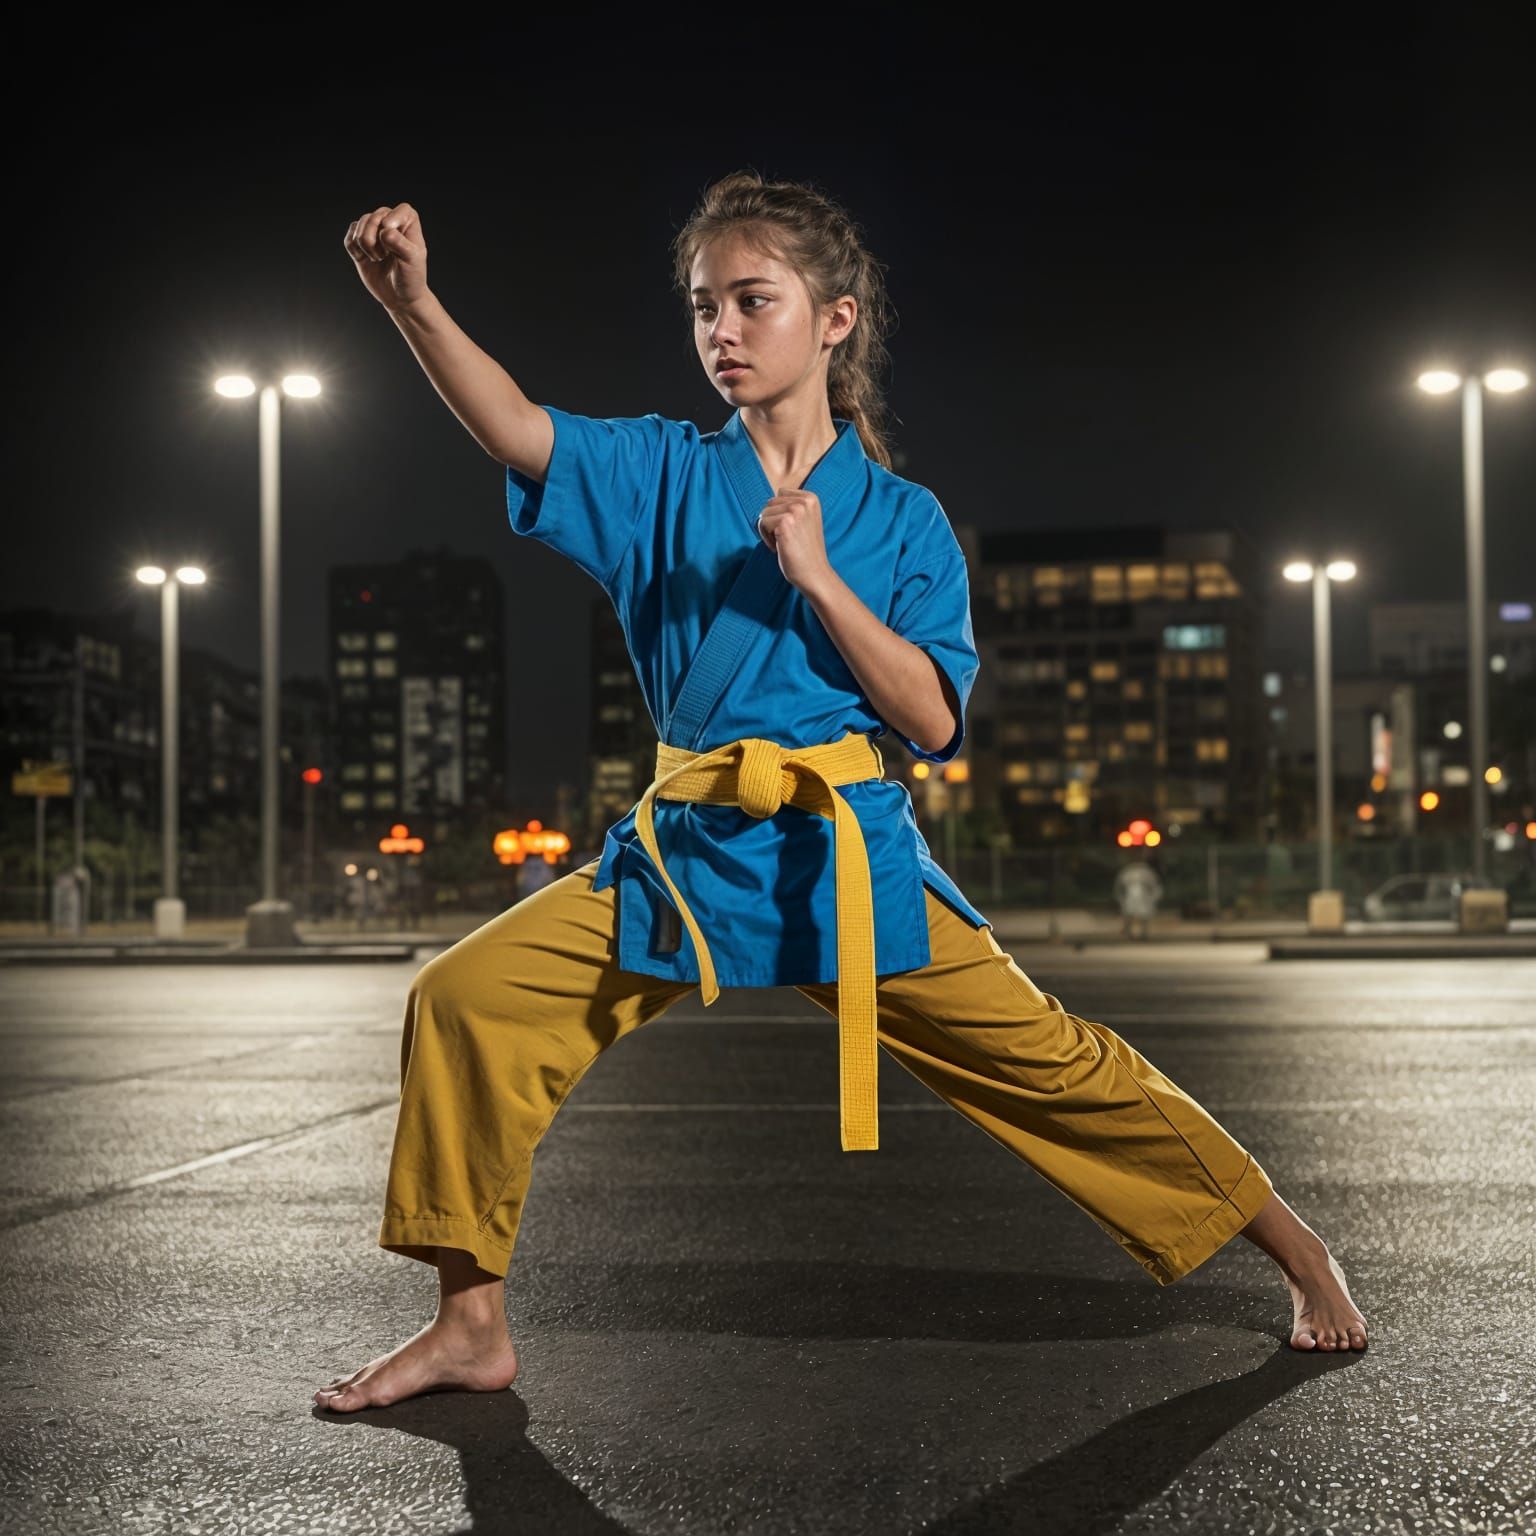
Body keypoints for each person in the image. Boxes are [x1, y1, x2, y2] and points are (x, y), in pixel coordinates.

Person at [316, 173, 1367, 1413]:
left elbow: (929, 719)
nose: (721, 329)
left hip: (845, 866)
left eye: (753, 301)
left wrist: (816, 576)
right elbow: (516, 426)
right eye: (704, 306)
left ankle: (1300, 1250)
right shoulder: (656, 471)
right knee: (466, 998)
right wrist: (411, 304)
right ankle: (469, 1325)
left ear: (834, 319)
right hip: (689, 856)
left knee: (1058, 1063)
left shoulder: (907, 523)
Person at [1114, 854, 1163, 940]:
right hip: (1130, 896)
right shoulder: (1127, 872)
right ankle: (1128, 932)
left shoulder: (1146, 872)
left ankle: (1144, 933)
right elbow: (1119, 886)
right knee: (1128, 915)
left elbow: (1154, 885)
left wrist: (1155, 897)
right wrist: (1120, 898)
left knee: (1144, 915)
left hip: (1144, 896)